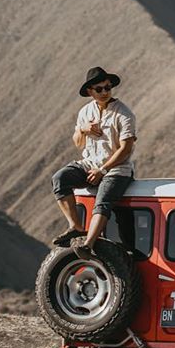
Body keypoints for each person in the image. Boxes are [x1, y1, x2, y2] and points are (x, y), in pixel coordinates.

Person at [51, 67, 137, 252]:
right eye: (99, 89)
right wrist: (82, 130)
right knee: (60, 179)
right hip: (89, 164)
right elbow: (78, 143)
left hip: (116, 169)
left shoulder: (124, 114)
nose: (105, 92)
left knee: (103, 201)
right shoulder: (85, 112)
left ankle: (88, 245)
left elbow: (126, 148)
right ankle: (76, 226)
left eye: (107, 87)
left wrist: (103, 170)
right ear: (90, 91)